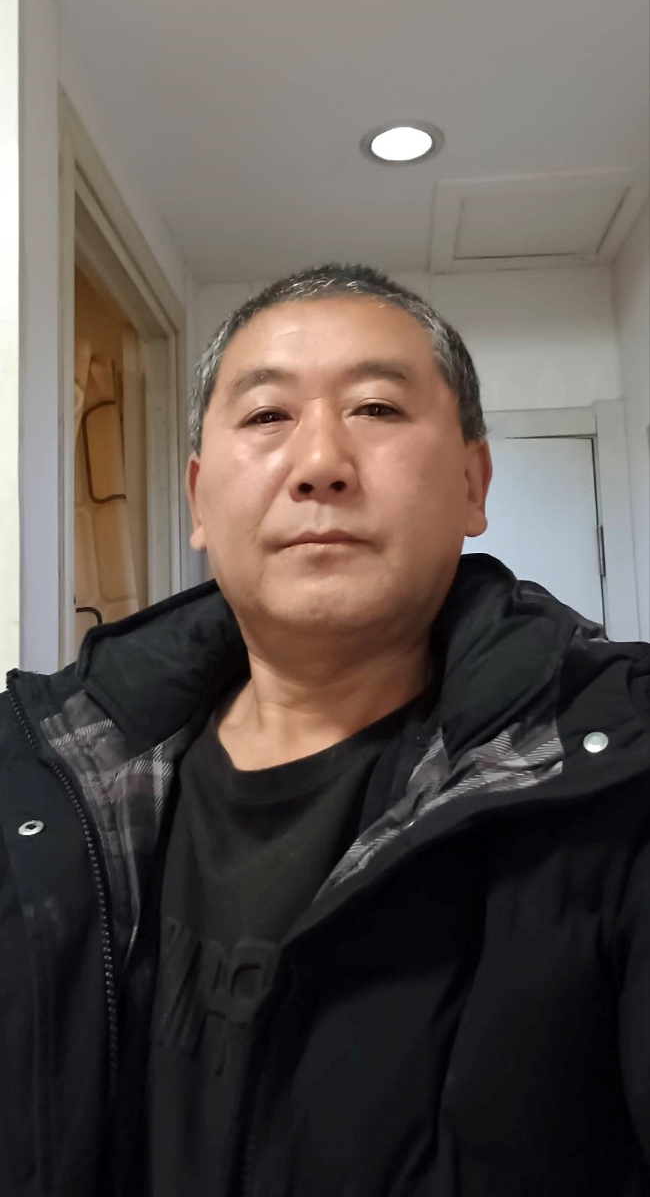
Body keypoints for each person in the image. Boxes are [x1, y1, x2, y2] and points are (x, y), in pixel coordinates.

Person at [1, 264, 649, 1197]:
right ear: (197, 500)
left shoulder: (617, 769)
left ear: (473, 483)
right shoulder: (43, 772)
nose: (320, 463)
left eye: (376, 408)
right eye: (267, 415)